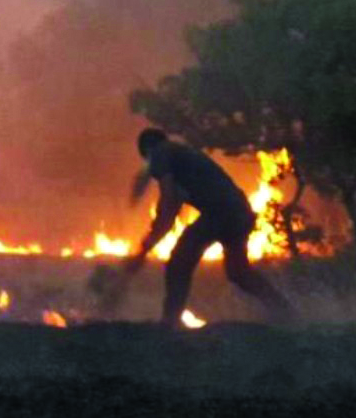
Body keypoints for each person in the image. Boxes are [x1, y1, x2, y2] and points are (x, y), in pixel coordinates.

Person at [122, 127, 294, 327]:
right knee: (238, 272)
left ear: (147, 150)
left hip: (220, 213)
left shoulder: (160, 152)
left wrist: (143, 251)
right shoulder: (182, 158)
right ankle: (285, 311)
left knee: (179, 263)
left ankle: (169, 323)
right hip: (240, 212)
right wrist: (146, 247)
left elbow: (167, 205)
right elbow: (171, 211)